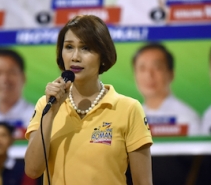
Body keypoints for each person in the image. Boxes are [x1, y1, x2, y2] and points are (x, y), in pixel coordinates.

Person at [25, 15, 153, 185]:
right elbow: (33, 170)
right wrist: (51, 112)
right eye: (69, 47)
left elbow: (143, 182)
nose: (75, 57)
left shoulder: (129, 108)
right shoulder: (46, 105)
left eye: (85, 48)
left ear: (103, 54)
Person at [133, 43, 200, 136]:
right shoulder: (132, 118)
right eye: (142, 68)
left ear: (171, 74)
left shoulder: (187, 118)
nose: (149, 75)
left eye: (157, 68)